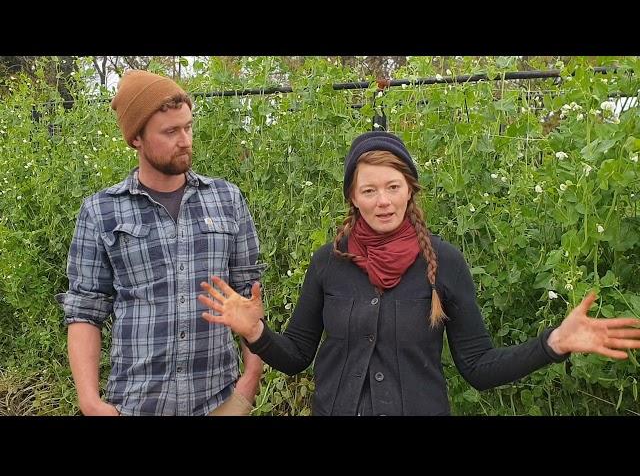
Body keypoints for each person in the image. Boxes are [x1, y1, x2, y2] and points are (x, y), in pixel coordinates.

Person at [198, 131, 640, 416]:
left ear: (410, 189)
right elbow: (295, 357)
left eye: (393, 187)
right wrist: (255, 333)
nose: (383, 201)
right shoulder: (327, 263)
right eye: (369, 190)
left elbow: (478, 368)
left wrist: (554, 343)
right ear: (353, 196)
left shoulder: (443, 262)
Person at [56, 70, 266, 416]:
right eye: (170, 132)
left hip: (219, 401)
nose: (185, 140)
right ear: (136, 138)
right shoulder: (101, 211)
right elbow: (85, 311)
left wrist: (250, 380)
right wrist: (90, 401)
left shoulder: (226, 200)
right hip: (136, 404)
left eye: (188, 127)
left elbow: (250, 294)